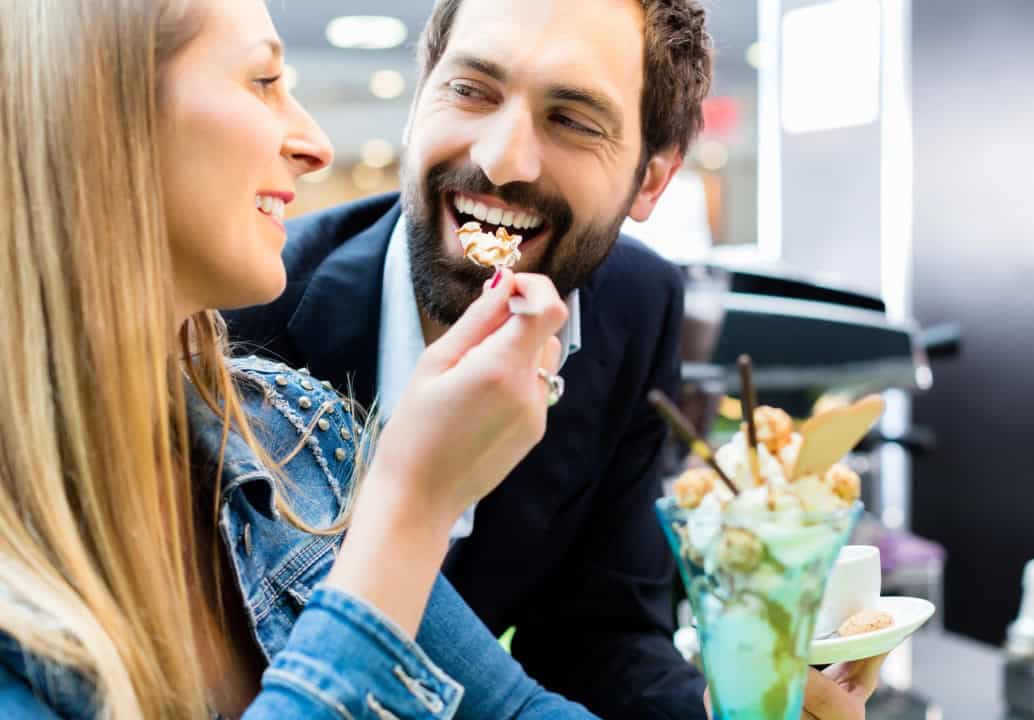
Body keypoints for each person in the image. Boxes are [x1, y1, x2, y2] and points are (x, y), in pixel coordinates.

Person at [227, 0, 886, 717]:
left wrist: (725, 704)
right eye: (471, 90)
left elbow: (598, 636)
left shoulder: (636, 305)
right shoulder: (243, 313)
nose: (501, 159)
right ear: (419, 103)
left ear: (652, 180)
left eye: (572, 119)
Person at [0, 0, 600, 717]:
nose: (315, 144)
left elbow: (515, 710)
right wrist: (412, 504)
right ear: (100, 114)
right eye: (263, 79)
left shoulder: (295, 432)